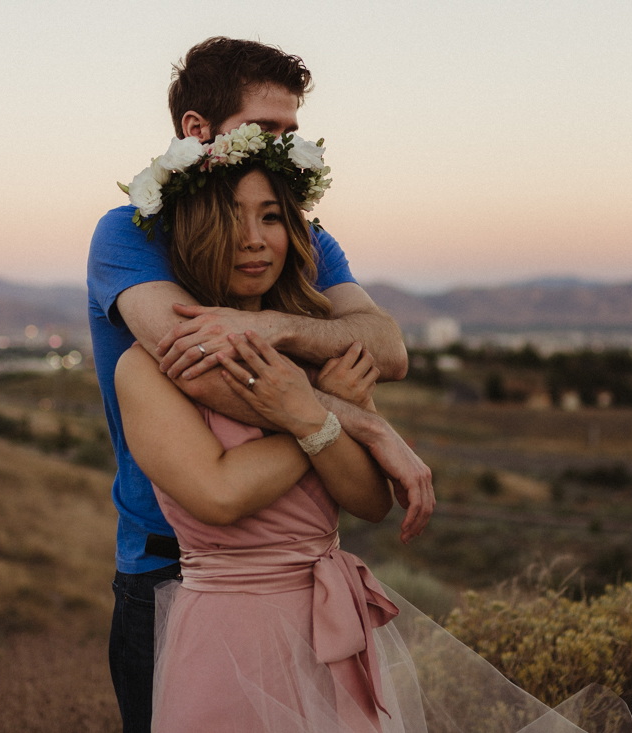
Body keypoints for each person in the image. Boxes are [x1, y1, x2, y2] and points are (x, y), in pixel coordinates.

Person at [87, 37, 434, 731]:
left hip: (308, 579)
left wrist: (278, 331)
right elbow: (203, 366)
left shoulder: (302, 240)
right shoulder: (132, 234)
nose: (282, 152)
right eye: (264, 131)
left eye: (291, 135)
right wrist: (358, 420)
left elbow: (385, 346)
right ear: (197, 130)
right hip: (173, 569)